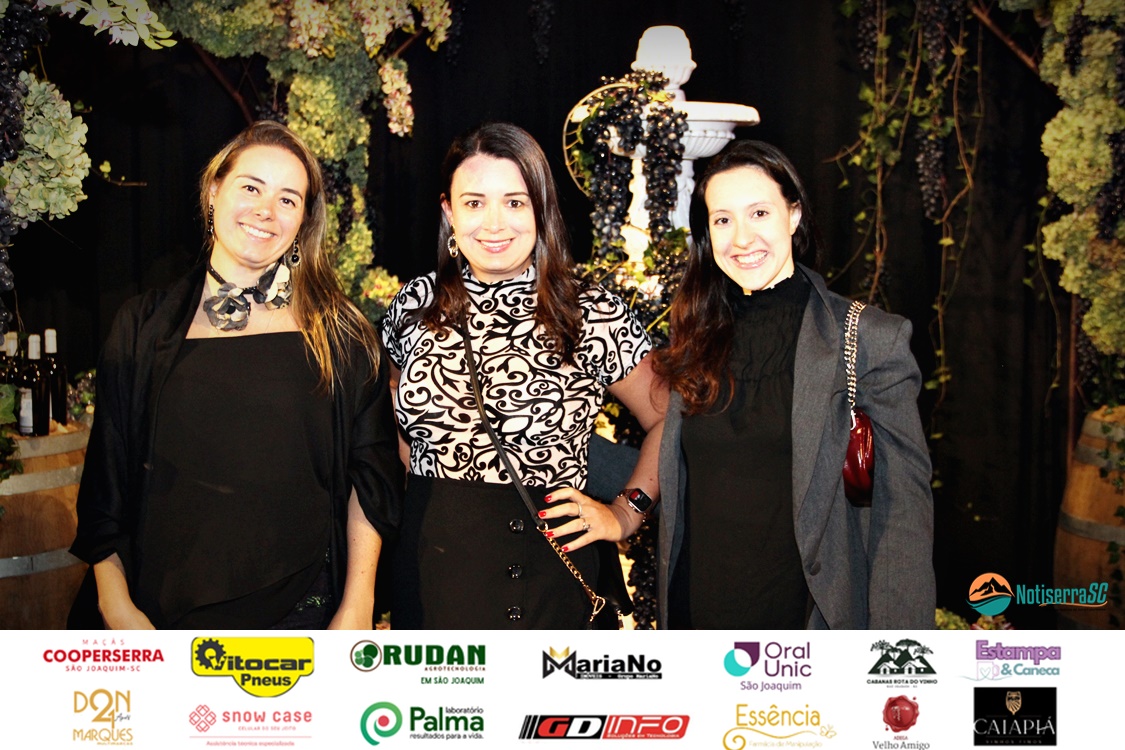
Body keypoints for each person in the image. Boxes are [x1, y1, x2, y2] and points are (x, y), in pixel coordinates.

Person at [69, 121, 402, 629]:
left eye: (288, 199)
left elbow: (372, 481)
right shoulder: (141, 328)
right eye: (251, 187)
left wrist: (356, 606)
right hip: (159, 616)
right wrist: (117, 606)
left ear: (304, 219)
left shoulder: (343, 335)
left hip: (304, 614)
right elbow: (105, 482)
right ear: (213, 191)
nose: (266, 210)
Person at [380, 122, 666, 629]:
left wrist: (625, 513)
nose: (494, 224)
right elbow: (397, 433)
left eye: (514, 202)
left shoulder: (588, 311)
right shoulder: (414, 304)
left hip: (548, 578)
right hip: (432, 574)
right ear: (448, 211)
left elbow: (669, 417)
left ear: (541, 208)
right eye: (474, 203)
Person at [653, 140, 935, 629]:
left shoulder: (869, 339)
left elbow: (902, 518)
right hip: (699, 620)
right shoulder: (697, 339)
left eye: (759, 213)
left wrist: (896, 656)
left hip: (806, 628)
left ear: (794, 214)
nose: (742, 238)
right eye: (723, 220)